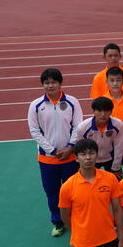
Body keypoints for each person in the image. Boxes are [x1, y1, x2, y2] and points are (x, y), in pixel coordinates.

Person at [59, 139, 123, 247]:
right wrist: (78, 232)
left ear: (97, 155)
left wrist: (121, 239)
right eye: (83, 154)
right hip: (83, 242)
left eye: (91, 153)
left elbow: (117, 209)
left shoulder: (110, 179)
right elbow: (64, 216)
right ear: (76, 158)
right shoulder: (68, 186)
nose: (88, 157)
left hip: (108, 238)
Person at [28, 68, 83, 237]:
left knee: (73, 191)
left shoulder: (72, 102)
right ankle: (58, 222)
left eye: (53, 82)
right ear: (43, 85)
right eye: (47, 83)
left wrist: (70, 147)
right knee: (52, 193)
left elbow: (78, 126)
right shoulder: (36, 105)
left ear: (60, 83)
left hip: (70, 157)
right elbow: (34, 131)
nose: (50, 86)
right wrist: (52, 150)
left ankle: (75, 219)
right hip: (47, 160)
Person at [71, 96, 123, 177]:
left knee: (116, 181)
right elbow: (81, 149)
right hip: (91, 159)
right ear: (93, 111)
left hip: (110, 158)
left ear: (111, 111)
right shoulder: (83, 127)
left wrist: (116, 168)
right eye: (99, 110)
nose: (103, 114)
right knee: (89, 182)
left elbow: (119, 147)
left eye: (106, 111)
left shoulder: (118, 125)